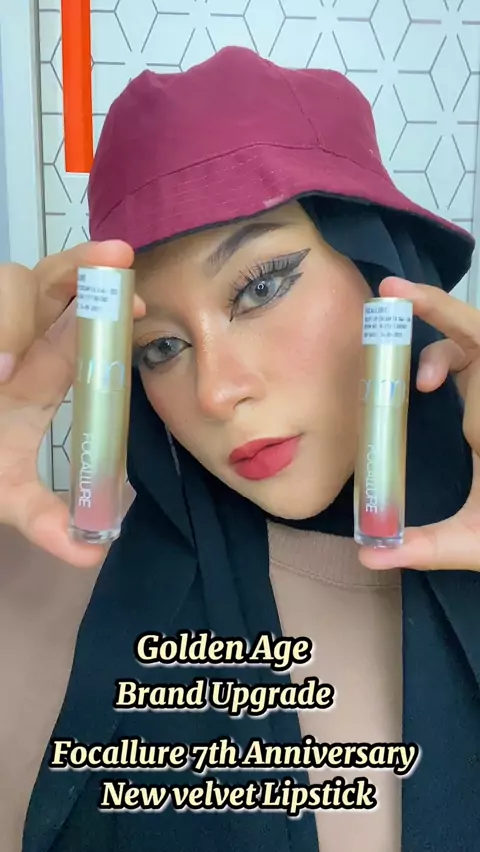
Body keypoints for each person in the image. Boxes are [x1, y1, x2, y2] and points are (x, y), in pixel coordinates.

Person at [0, 46, 479, 852]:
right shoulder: (50, 588)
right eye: (160, 347)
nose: (216, 393)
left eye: (260, 288)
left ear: (382, 272)